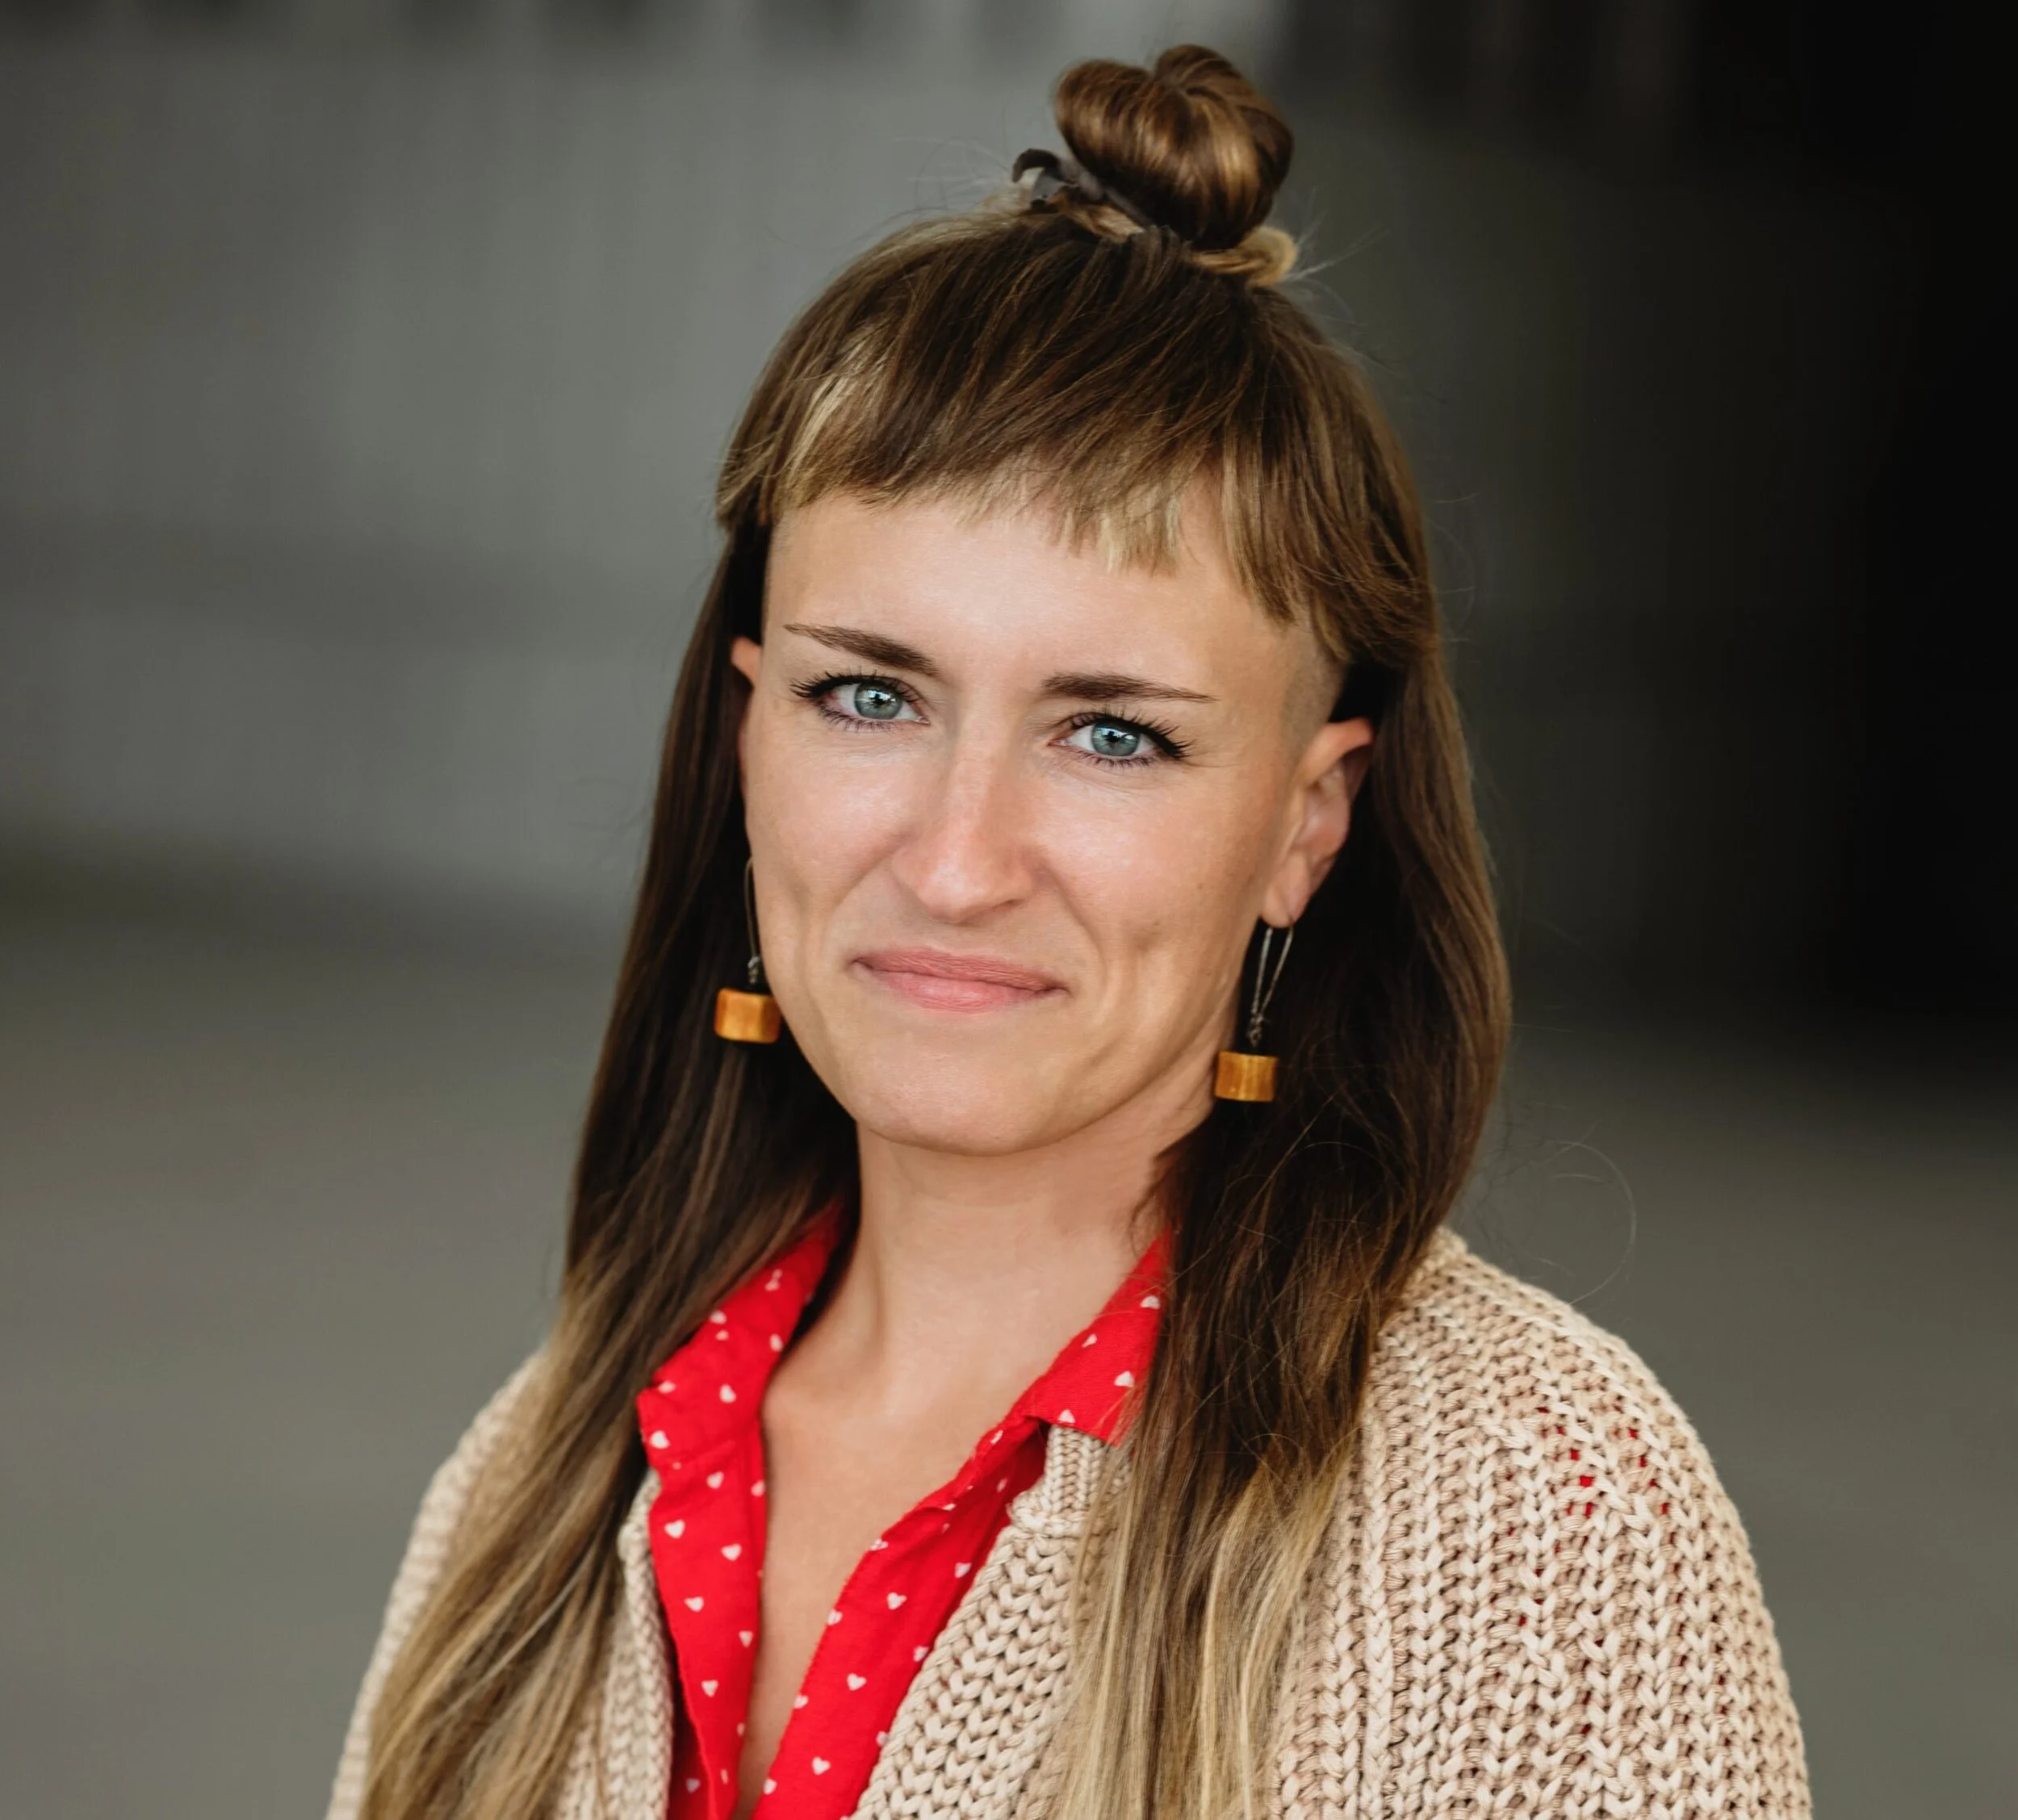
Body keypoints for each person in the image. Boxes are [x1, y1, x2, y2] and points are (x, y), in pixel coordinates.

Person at [327, 44, 1811, 1820]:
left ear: (1303, 824)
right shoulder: (551, 1463)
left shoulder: (1538, 1512)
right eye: (869, 696)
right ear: (744, 742)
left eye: (1112, 732)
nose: (957, 861)